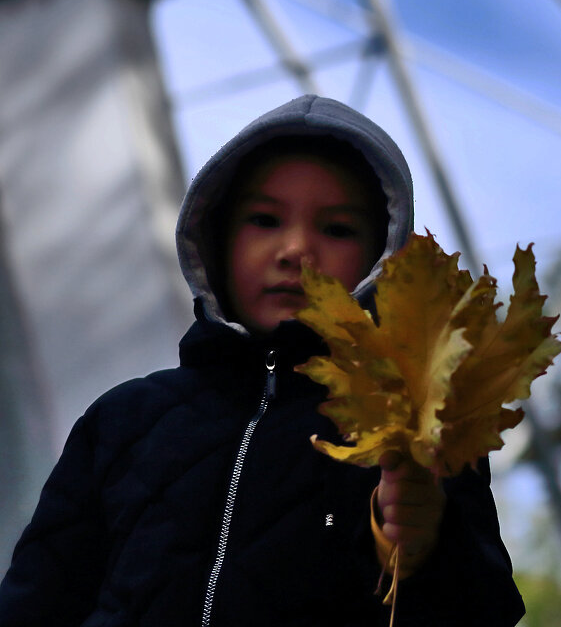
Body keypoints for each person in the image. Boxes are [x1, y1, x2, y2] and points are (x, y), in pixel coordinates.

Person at [0, 95, 526, 626]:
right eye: (264, 219)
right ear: (217, 239)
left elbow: (480, 610)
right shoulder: (124, 420)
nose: (296, 249)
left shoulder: (412, 428)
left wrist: (426, 546)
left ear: (381, 262)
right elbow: (37, 598)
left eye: (337, 229)